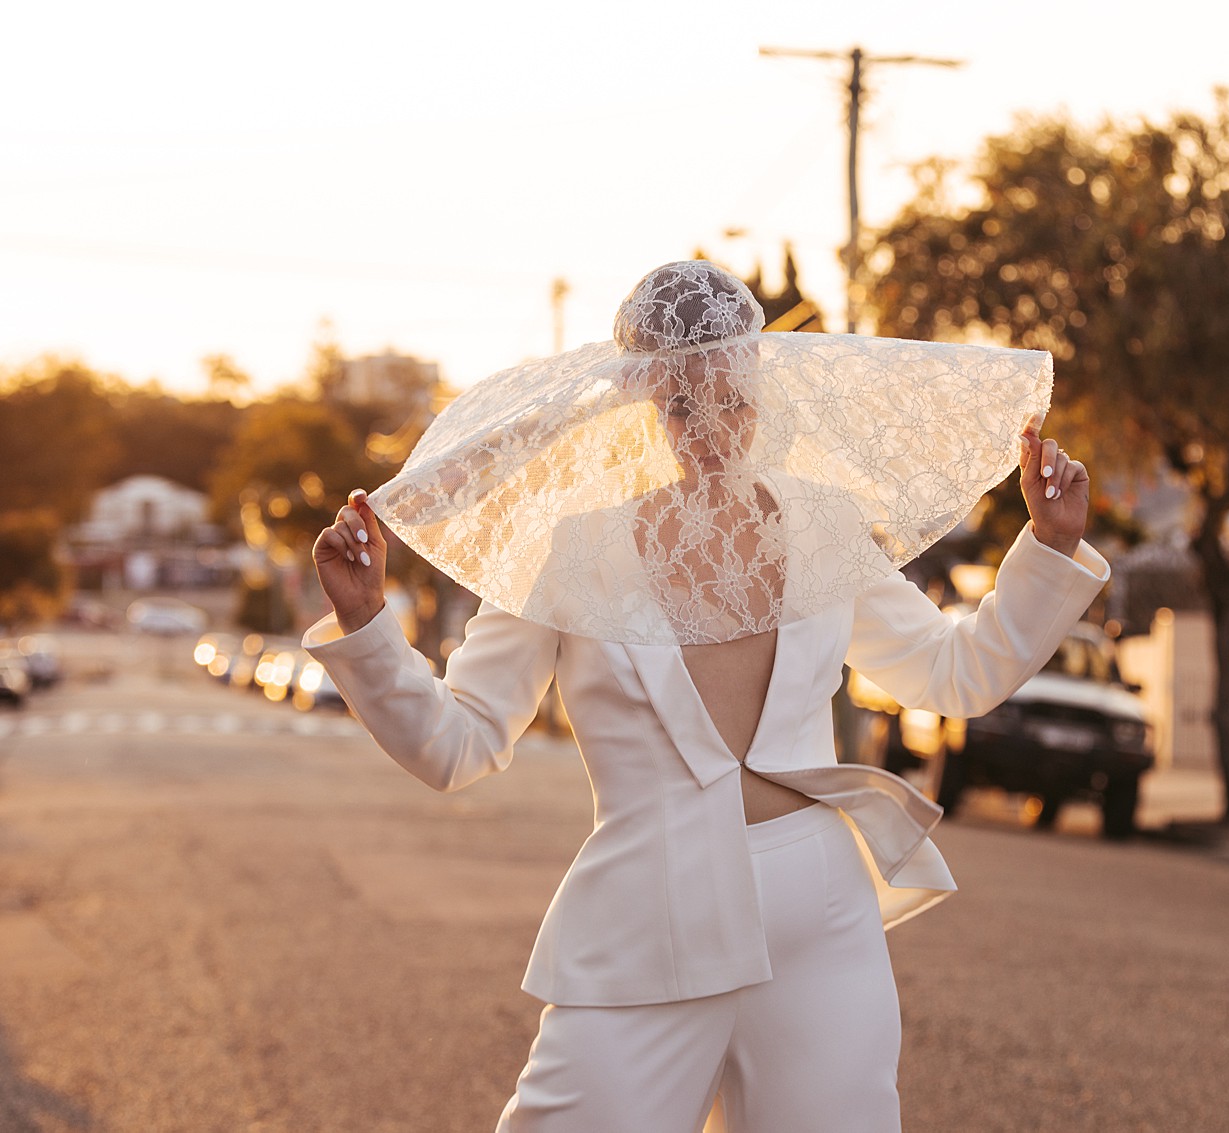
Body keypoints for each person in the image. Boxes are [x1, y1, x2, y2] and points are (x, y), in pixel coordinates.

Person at [305, 261, 1109, 1132]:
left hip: (821, 928)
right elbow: (456, 746)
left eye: (732, 396)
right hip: (643, 930)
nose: (712, 427)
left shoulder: (820, 527)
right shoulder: (573, 556)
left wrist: (1048, 546)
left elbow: (959, 673)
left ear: (762, 390)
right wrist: (365, 622)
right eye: (681, 405)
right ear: (637, 411)